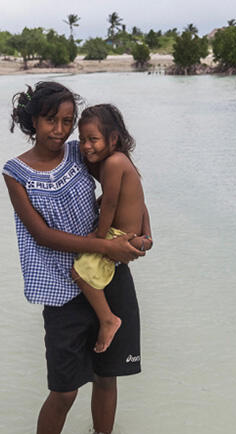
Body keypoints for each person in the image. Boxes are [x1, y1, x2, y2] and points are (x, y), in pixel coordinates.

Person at [1, 82, 151, 434]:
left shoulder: (81, 152)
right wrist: (105, 245)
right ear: (32, 120)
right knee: (64, 391)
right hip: (61, 288)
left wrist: (145, 232)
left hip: (108, 275)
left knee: (107, 376)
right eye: (51, 120)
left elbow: (127, 185)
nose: (60, 130)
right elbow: (42, 235)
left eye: (67, 121)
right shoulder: (15, 172)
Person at [71, 104, 152, 353]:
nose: (86, 146)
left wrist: (98, 237)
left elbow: (111, 202)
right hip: (132, 232)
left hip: (118, 235)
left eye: (93, 139)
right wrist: (146, 234)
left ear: (113, 138)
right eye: (82, 139)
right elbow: (138, 200)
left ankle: (108, 319)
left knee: (79, 272)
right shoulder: (120, 161)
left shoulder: (114, 163)